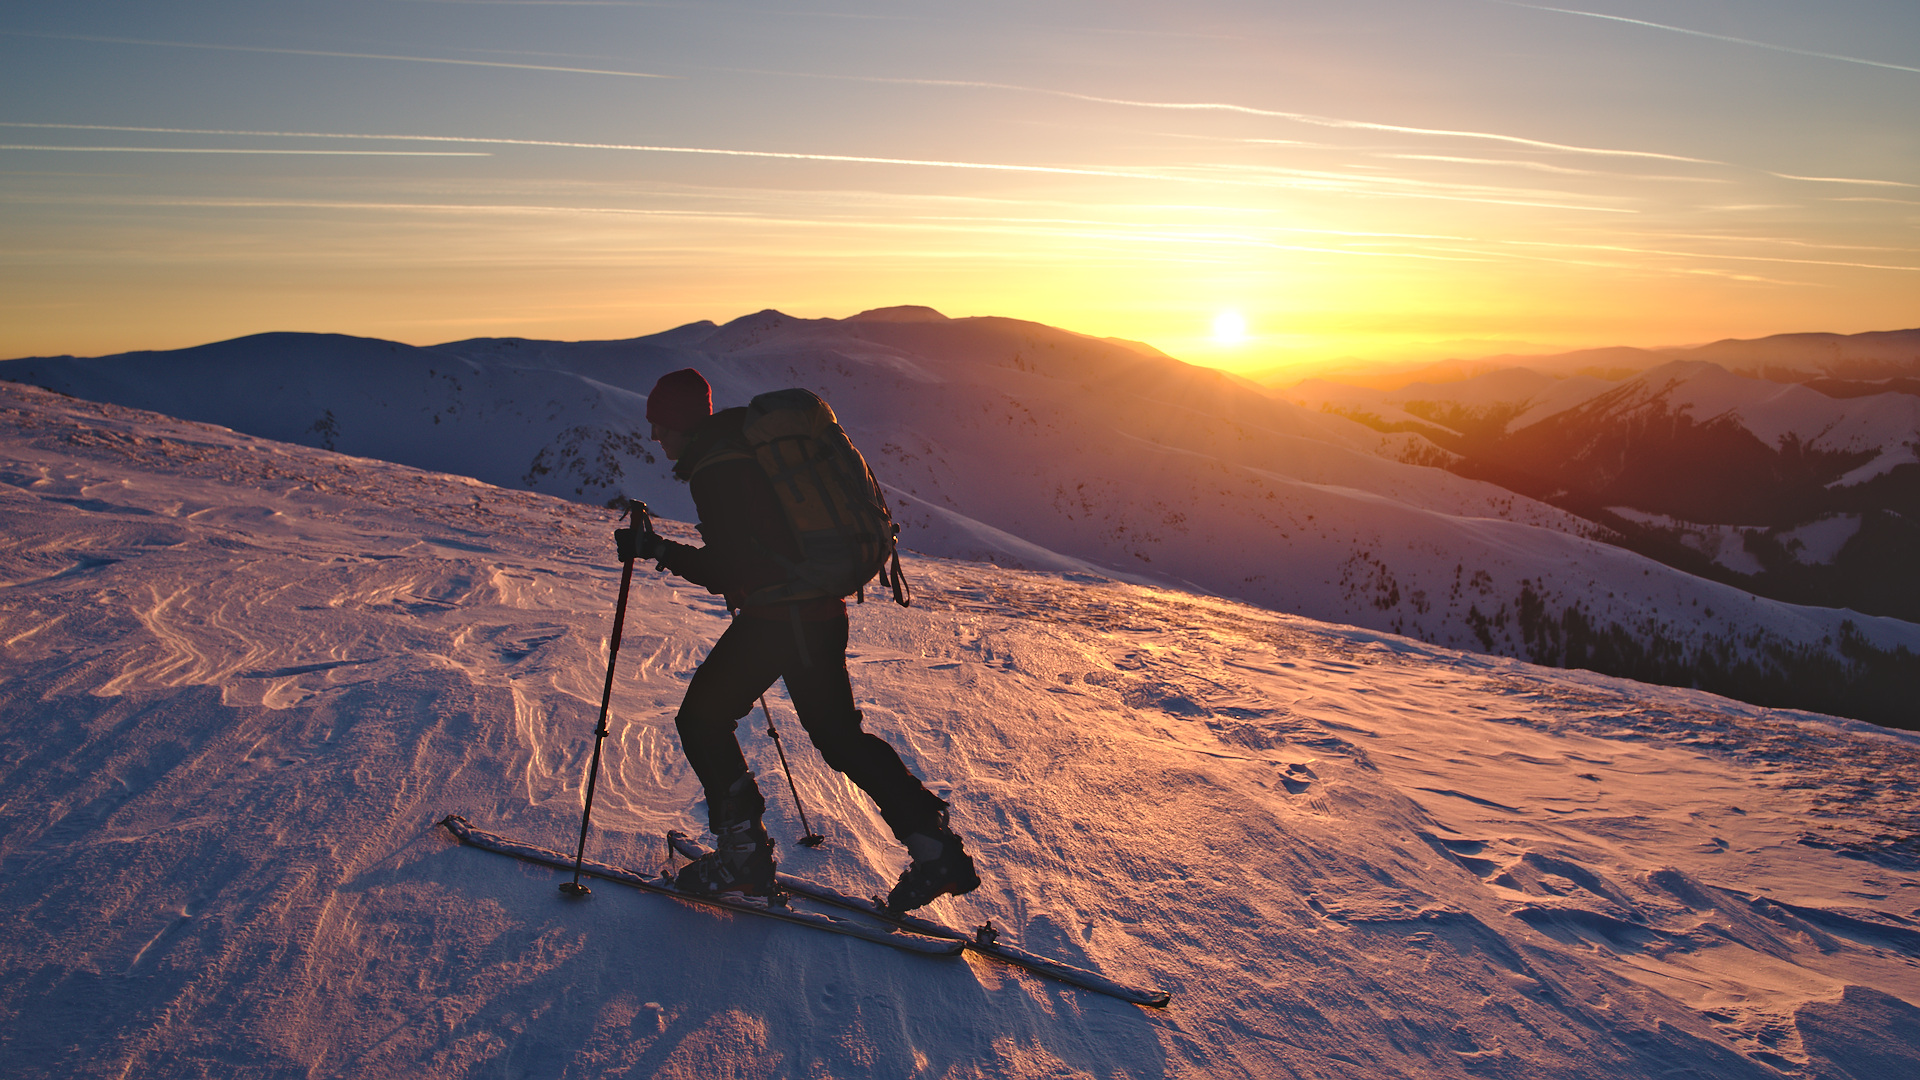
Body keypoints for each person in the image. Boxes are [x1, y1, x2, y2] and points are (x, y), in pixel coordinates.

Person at [626, 367, 979, 913]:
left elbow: (729, 569)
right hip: (814, 611)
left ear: (677, 423)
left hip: (781, 619)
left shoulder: (717, 469)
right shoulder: (738, 449)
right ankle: (935, 850)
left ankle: (742, 855)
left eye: (658, 425)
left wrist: (658, 551)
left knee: (701, 720)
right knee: (839, 737)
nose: (655, 438)